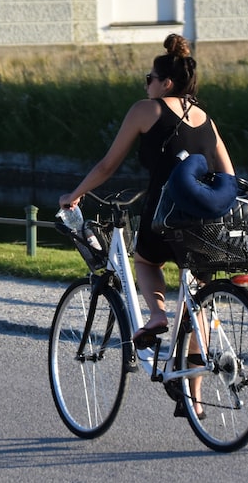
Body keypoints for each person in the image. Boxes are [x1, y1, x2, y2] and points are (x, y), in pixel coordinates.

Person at [59, 34, 235, 359]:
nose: (146, 86)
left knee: (145, 260)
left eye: (149, 79)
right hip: (207, 222)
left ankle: (156, 316)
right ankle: (193, 397)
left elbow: (107, 165)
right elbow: (228, 173)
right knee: (196, 304)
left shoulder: (146, 110)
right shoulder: (205, 117)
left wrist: (75, 194)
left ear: (166, 82)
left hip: (164, 214)